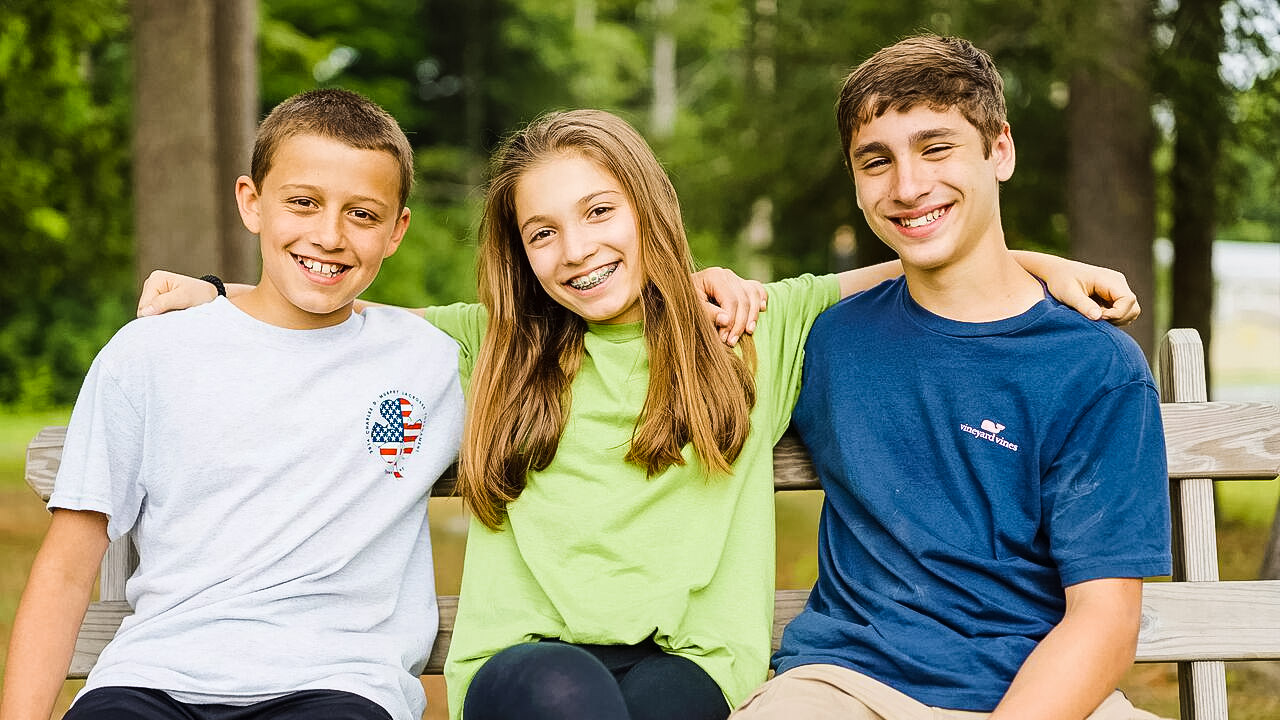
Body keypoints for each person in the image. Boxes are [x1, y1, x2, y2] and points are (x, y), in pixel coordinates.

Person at [131, 109, 1138, 720]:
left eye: (599, 213)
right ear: (518, 253)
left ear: (648, 209)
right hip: (525, 662)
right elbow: (346, 297)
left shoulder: (749, 329)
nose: (575, 250)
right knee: (564, 701)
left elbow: (906, 256)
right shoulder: (491, 339)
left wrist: (1041, 263)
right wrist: (222, 292)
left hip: (689, 667)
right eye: (542, 232)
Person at [730, 35, 1171, 720]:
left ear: (1000, 150)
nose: (907, 186)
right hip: (845, 688)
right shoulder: (829, 342)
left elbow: (1104, 621)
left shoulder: (1096, 368)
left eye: (937, 148)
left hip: (1042, 692)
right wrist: (712, 286)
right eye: (876, 161)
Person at [0, 89, 467, 720]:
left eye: (362, 214)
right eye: (303, 203)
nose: (328, 235)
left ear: (396, 231)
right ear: (251, 202)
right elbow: (63, 572)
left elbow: (566, 335)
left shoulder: (430, 360)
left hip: (338, 687)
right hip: (152, 679)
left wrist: (225, 288)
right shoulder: (151, 353)